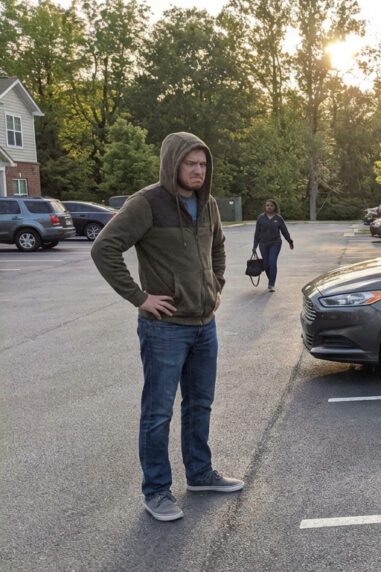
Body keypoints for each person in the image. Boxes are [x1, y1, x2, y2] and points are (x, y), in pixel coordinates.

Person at [91, 132, 243, 522]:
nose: (198, 170)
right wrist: (141, 298)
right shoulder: (147, 204)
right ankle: (156, 490)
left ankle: (200, 474)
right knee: (158, 413)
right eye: (190, 163)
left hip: (204, 325)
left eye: (203, 164)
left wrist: (217, 286)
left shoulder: (208, 204)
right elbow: (104, 248)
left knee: (199, 405)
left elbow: (219, 249)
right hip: (164, 329)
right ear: (172, 163)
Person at [251, 199, 294, 292]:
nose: (269, 207)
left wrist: (290, 241)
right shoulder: (260, 218)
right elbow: (257, 233)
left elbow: (284, 231)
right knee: (266, 265)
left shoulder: (278, 218)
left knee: (272, 262)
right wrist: (254, 246)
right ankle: (271, 279)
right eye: (267, 205)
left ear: (275, 207)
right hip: (263, 244)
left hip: (275, 243)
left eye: (271, 205)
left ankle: (271, 284)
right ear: (265, 207)